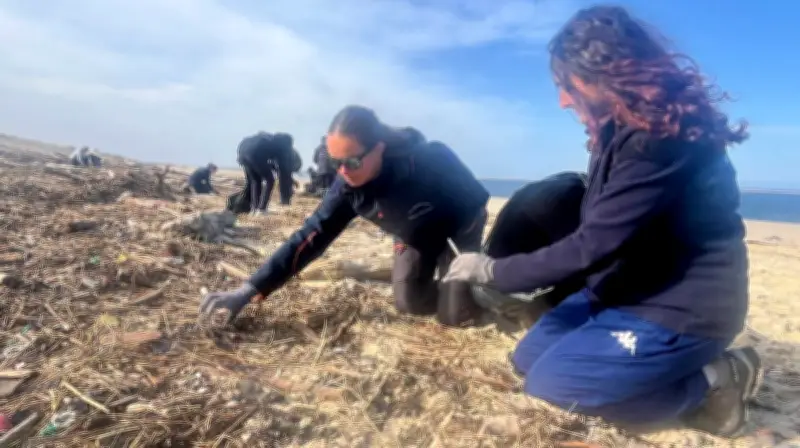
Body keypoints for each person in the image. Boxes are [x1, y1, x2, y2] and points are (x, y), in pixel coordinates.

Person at [443, 5, 759, 437]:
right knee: (526, 361)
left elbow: (592, 244)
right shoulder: (617, 129)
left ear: (605, 75)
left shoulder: (658, 140)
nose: (562, 100)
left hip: (680, 308)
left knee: (554, 389)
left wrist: (492, 270)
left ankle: (717, 377)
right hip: (624, 290)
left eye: (566, 85)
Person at [200, 105, 490, 327]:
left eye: (351, 161)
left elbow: (476, 202)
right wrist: (249, 289)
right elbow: (310, 236)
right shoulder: (348, 187)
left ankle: (480, 289)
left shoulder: (430, 160)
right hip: (412, 235)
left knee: (455, 316)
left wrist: (464, 251)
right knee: (409, 303)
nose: (343, 172)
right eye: (335, 161)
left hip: (456, 228)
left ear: (379, 149)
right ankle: (449, 291)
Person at [236, 131, 295, 214]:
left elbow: (270, 161)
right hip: (255, 153)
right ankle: (262, 209)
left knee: (255, 181)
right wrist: (285, 197)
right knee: (270, 180)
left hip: (242, 151)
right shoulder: (283, 144)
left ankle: (254, 208)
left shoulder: (269, 140)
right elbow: (283, 170)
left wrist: (273, 167)